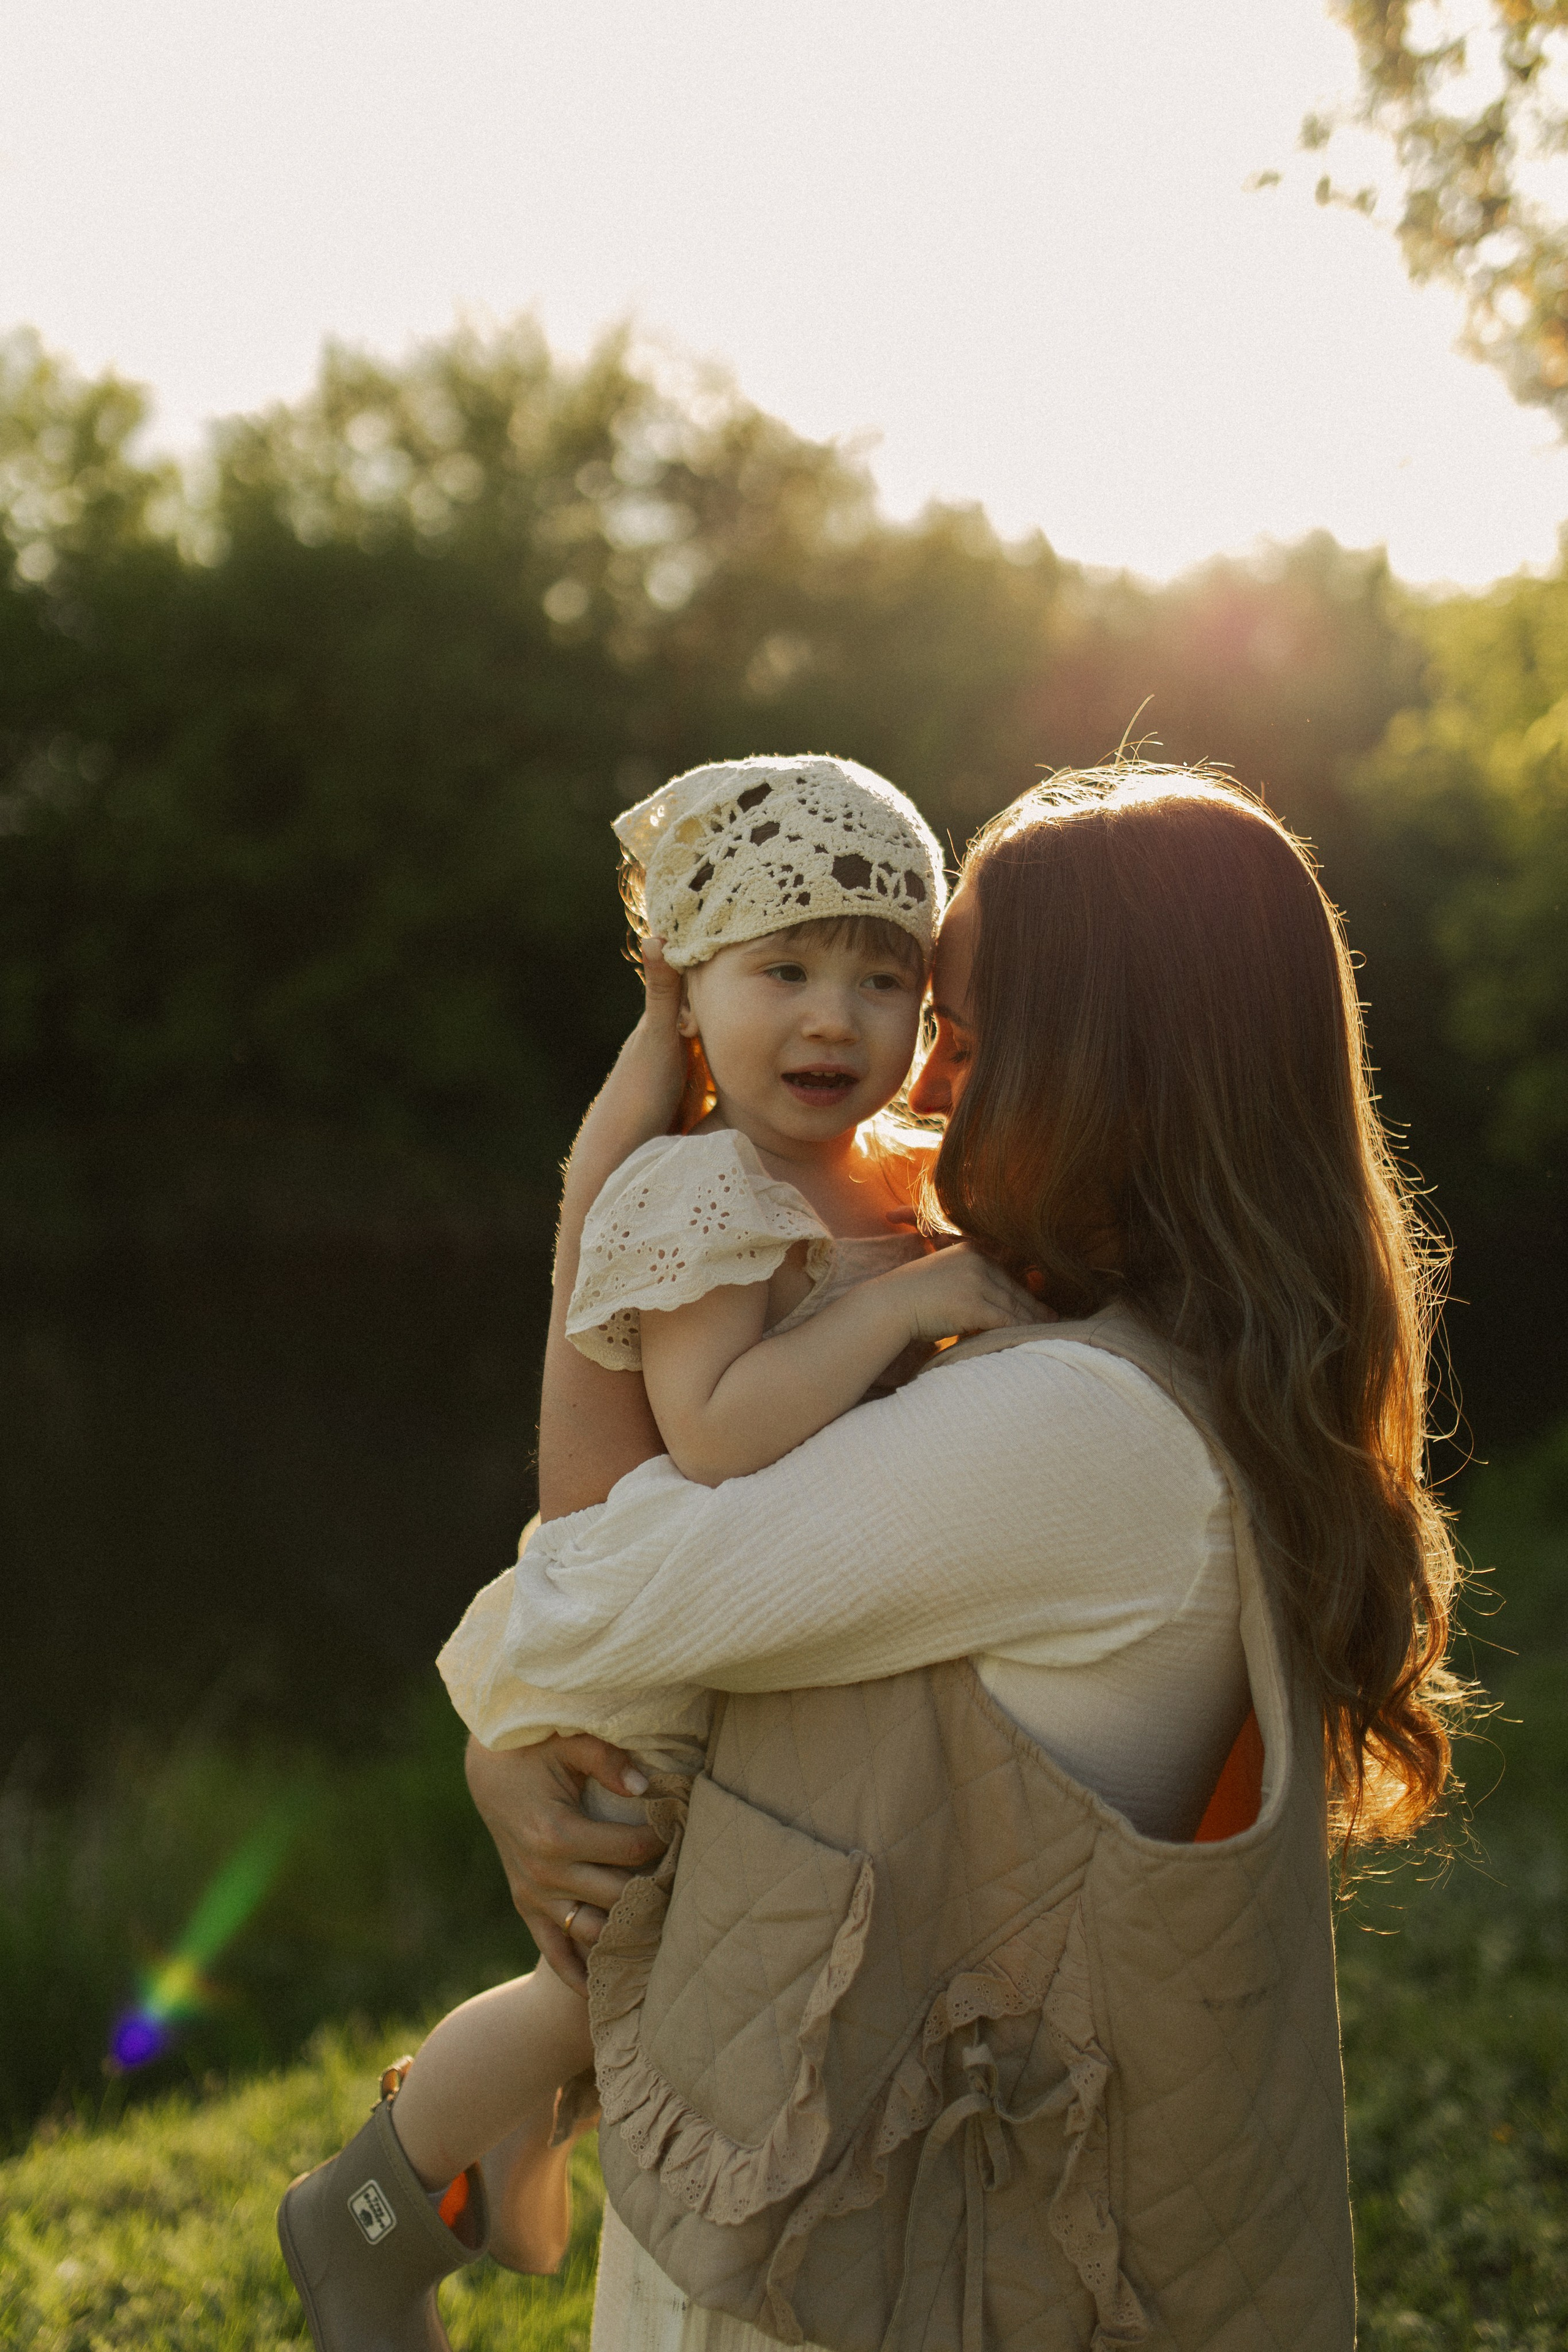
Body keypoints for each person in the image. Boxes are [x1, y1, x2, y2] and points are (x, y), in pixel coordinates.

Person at [463, 764, 1464, 2351]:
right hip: (898, 2206)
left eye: (968, 1034)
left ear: (1108, 1066)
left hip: (893, 2254)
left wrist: (610, 1184)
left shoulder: (1075, 1430)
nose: (918, 1076)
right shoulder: (1136, 1355)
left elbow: (594, 1602)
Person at [274, 755, 1046, 2352]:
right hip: (638, 1628)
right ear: (693, 990)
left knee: (690, 1953)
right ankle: (366, 2208)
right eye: (783, 968)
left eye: (880, 976)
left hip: (735, 1626)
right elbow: (714, 1430)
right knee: (622, 1968)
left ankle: (512, 2149)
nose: (833, 1017)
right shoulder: (708, 1190)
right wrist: (910, 1305)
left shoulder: (886, 1180)